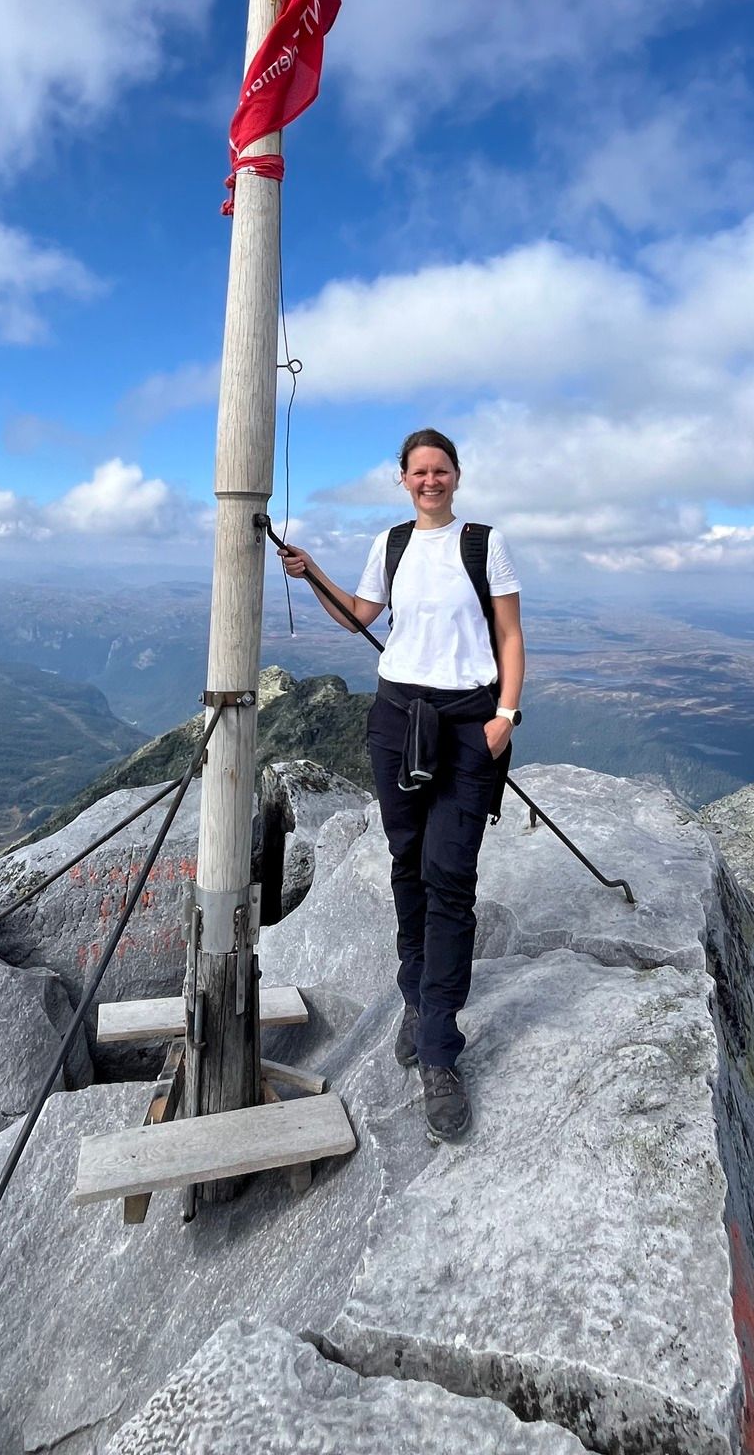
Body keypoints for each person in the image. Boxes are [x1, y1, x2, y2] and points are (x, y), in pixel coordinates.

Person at [277, 428, 524, 1143]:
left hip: (467, 718)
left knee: (450, 876)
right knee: (408, 866)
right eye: (419, 472)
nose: (430, 481)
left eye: (441, 470)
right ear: (403, 479)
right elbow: (360, 618)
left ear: (456, 475)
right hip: (396, 718)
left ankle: (440, 1050)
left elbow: (509, 636)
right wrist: (312, 572)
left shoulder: (484, 544)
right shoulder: (390, 545)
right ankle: (416, 993)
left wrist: (504, 716)